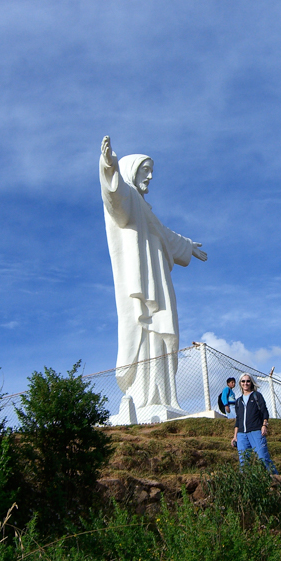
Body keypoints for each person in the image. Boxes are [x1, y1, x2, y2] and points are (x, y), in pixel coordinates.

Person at [99, 136, 207, 411]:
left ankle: (163, 396)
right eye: (145, 170)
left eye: (150, 171)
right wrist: (109, 166)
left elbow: (164, 232)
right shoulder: (129, 198)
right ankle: (142, 396)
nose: (150, 176)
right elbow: (115, 197)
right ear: (131, 171)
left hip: (158, 278)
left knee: (163, 327)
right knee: (146, 327)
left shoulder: (145, 210)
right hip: (141, 284)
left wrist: (186, 246)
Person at [230, 373, 278, 474]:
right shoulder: (238, 401)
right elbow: (238, 419)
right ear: (240, 383)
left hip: (256, 431)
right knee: (244, 462)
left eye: (248, 381)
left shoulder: (257, 396)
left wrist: (264, 425)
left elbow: (265, 412)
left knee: (263, 457)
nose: (245, 383)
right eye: (243, 381)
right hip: (242, 434)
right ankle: (245, 485)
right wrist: (235, 436)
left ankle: (276, 480)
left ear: (251, 383)